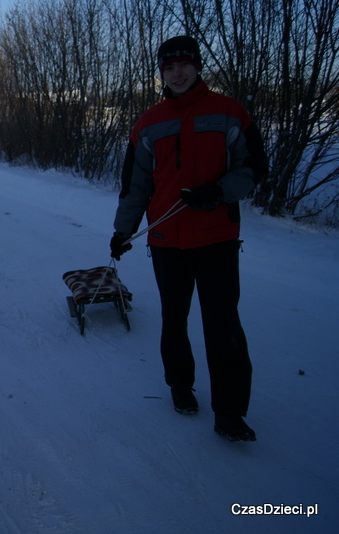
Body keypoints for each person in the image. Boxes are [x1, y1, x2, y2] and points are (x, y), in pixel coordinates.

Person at [110, 36, 268, 442]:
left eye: (183, 64)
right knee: (174, 319)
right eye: (168, 67)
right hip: (166, 239)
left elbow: (253, 169)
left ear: (197, 67)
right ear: (161, 73)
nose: (176, 72)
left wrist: (217, 191)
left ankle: (230, 412)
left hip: (216, 237)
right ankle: (181, 387)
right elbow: (136, 185)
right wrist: (123, 230)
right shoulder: (148, 123)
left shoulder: (229, 113)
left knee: (222, 323)